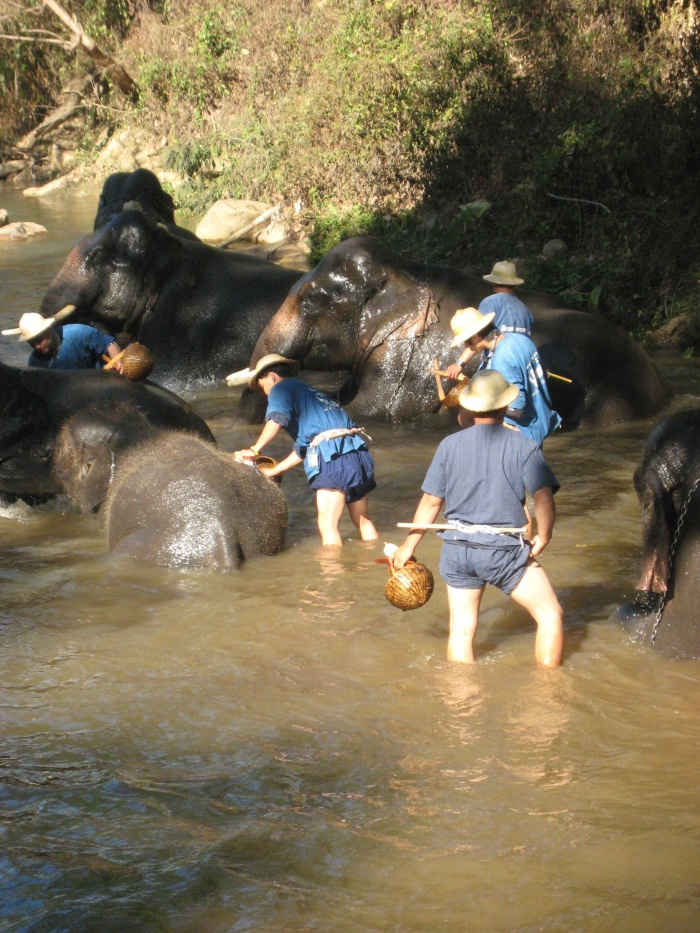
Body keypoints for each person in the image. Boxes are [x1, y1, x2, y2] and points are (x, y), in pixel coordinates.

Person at [392, 369, 564, 667]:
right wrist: (544, 536)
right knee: (550, 615)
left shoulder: (449, 445)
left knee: (461, 630)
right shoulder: (523, 445)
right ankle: (547, 698)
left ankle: (461, 707)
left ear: (469, 408)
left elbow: (431, 502)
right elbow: (543, 497)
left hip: (457, 549)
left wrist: (409, 546)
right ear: (505, 406)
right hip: (502, 551)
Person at [232, 354, 378, 548]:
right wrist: (275, 471)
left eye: (263, 388)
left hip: (333, 459)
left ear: (272, 377)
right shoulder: (315, 394)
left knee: (327, 525)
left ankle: (332, 576)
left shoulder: (280, 389)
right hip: (356, 453)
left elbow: (276, 419)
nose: (266, 394)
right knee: (363, 520)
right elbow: (306, 448)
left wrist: (255, 449)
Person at [446, 306, 560, 446]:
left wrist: (475, 407)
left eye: (466, 342)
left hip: (519, 436)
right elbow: (474, 347)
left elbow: (516, 408)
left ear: (475, 337)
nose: (466, 347)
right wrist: (460, 364)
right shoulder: (516, 338)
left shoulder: (502, 359)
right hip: (539, 422)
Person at [445, 260, 533, 380]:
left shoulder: (490, 302)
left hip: (499, 366)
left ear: (494, 283)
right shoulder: (525, 310)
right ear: (514, 284)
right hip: (524, 368)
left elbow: (476, 337)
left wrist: (460, 364)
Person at [2, 312, 122, 371]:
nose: (37, 347)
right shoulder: (35, 363)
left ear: (49, 330)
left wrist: (118, 362)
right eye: (32, 343)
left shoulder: (79, 333)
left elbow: (110, 344)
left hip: (101, 376)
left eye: (39, 340)